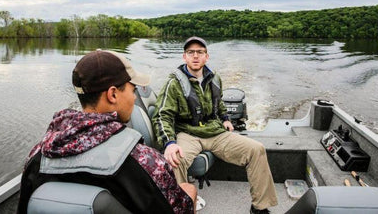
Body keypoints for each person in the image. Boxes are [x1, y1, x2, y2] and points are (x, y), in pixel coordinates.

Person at [17, 49, 196, 214]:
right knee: (189, 190)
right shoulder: (145, 161)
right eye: (132, 90)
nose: (134, 97)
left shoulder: (37, 156)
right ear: (113, 94)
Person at [152, 37, 278, 214]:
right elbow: (161, 115)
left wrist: (225, 118)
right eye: (191, 52)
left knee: (256, 149)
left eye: (200, 52)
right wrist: (169, 143)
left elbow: (219, 104)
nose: (195, 56)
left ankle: (259, 207)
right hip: (188, 133)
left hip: (215, 131)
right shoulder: (173, 83)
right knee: (174, 160)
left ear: (206, 57)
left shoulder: (215, 79)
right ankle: (180, 207)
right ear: (184, 57)